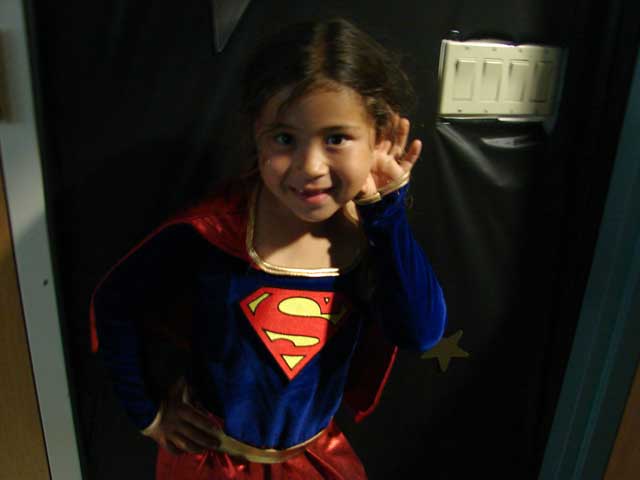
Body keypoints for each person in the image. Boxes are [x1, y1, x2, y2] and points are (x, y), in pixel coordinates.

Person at [90, 17, 446, 480]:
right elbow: (116, 303)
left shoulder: (372, 239)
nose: (310, 167)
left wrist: (388, 212)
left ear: (378, 137)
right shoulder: (212, 232)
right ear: (256, 133)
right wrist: (149, 414)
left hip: (312, 459)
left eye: (336, 138)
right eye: (284, 139)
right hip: (211, 462)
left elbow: (420, 333)